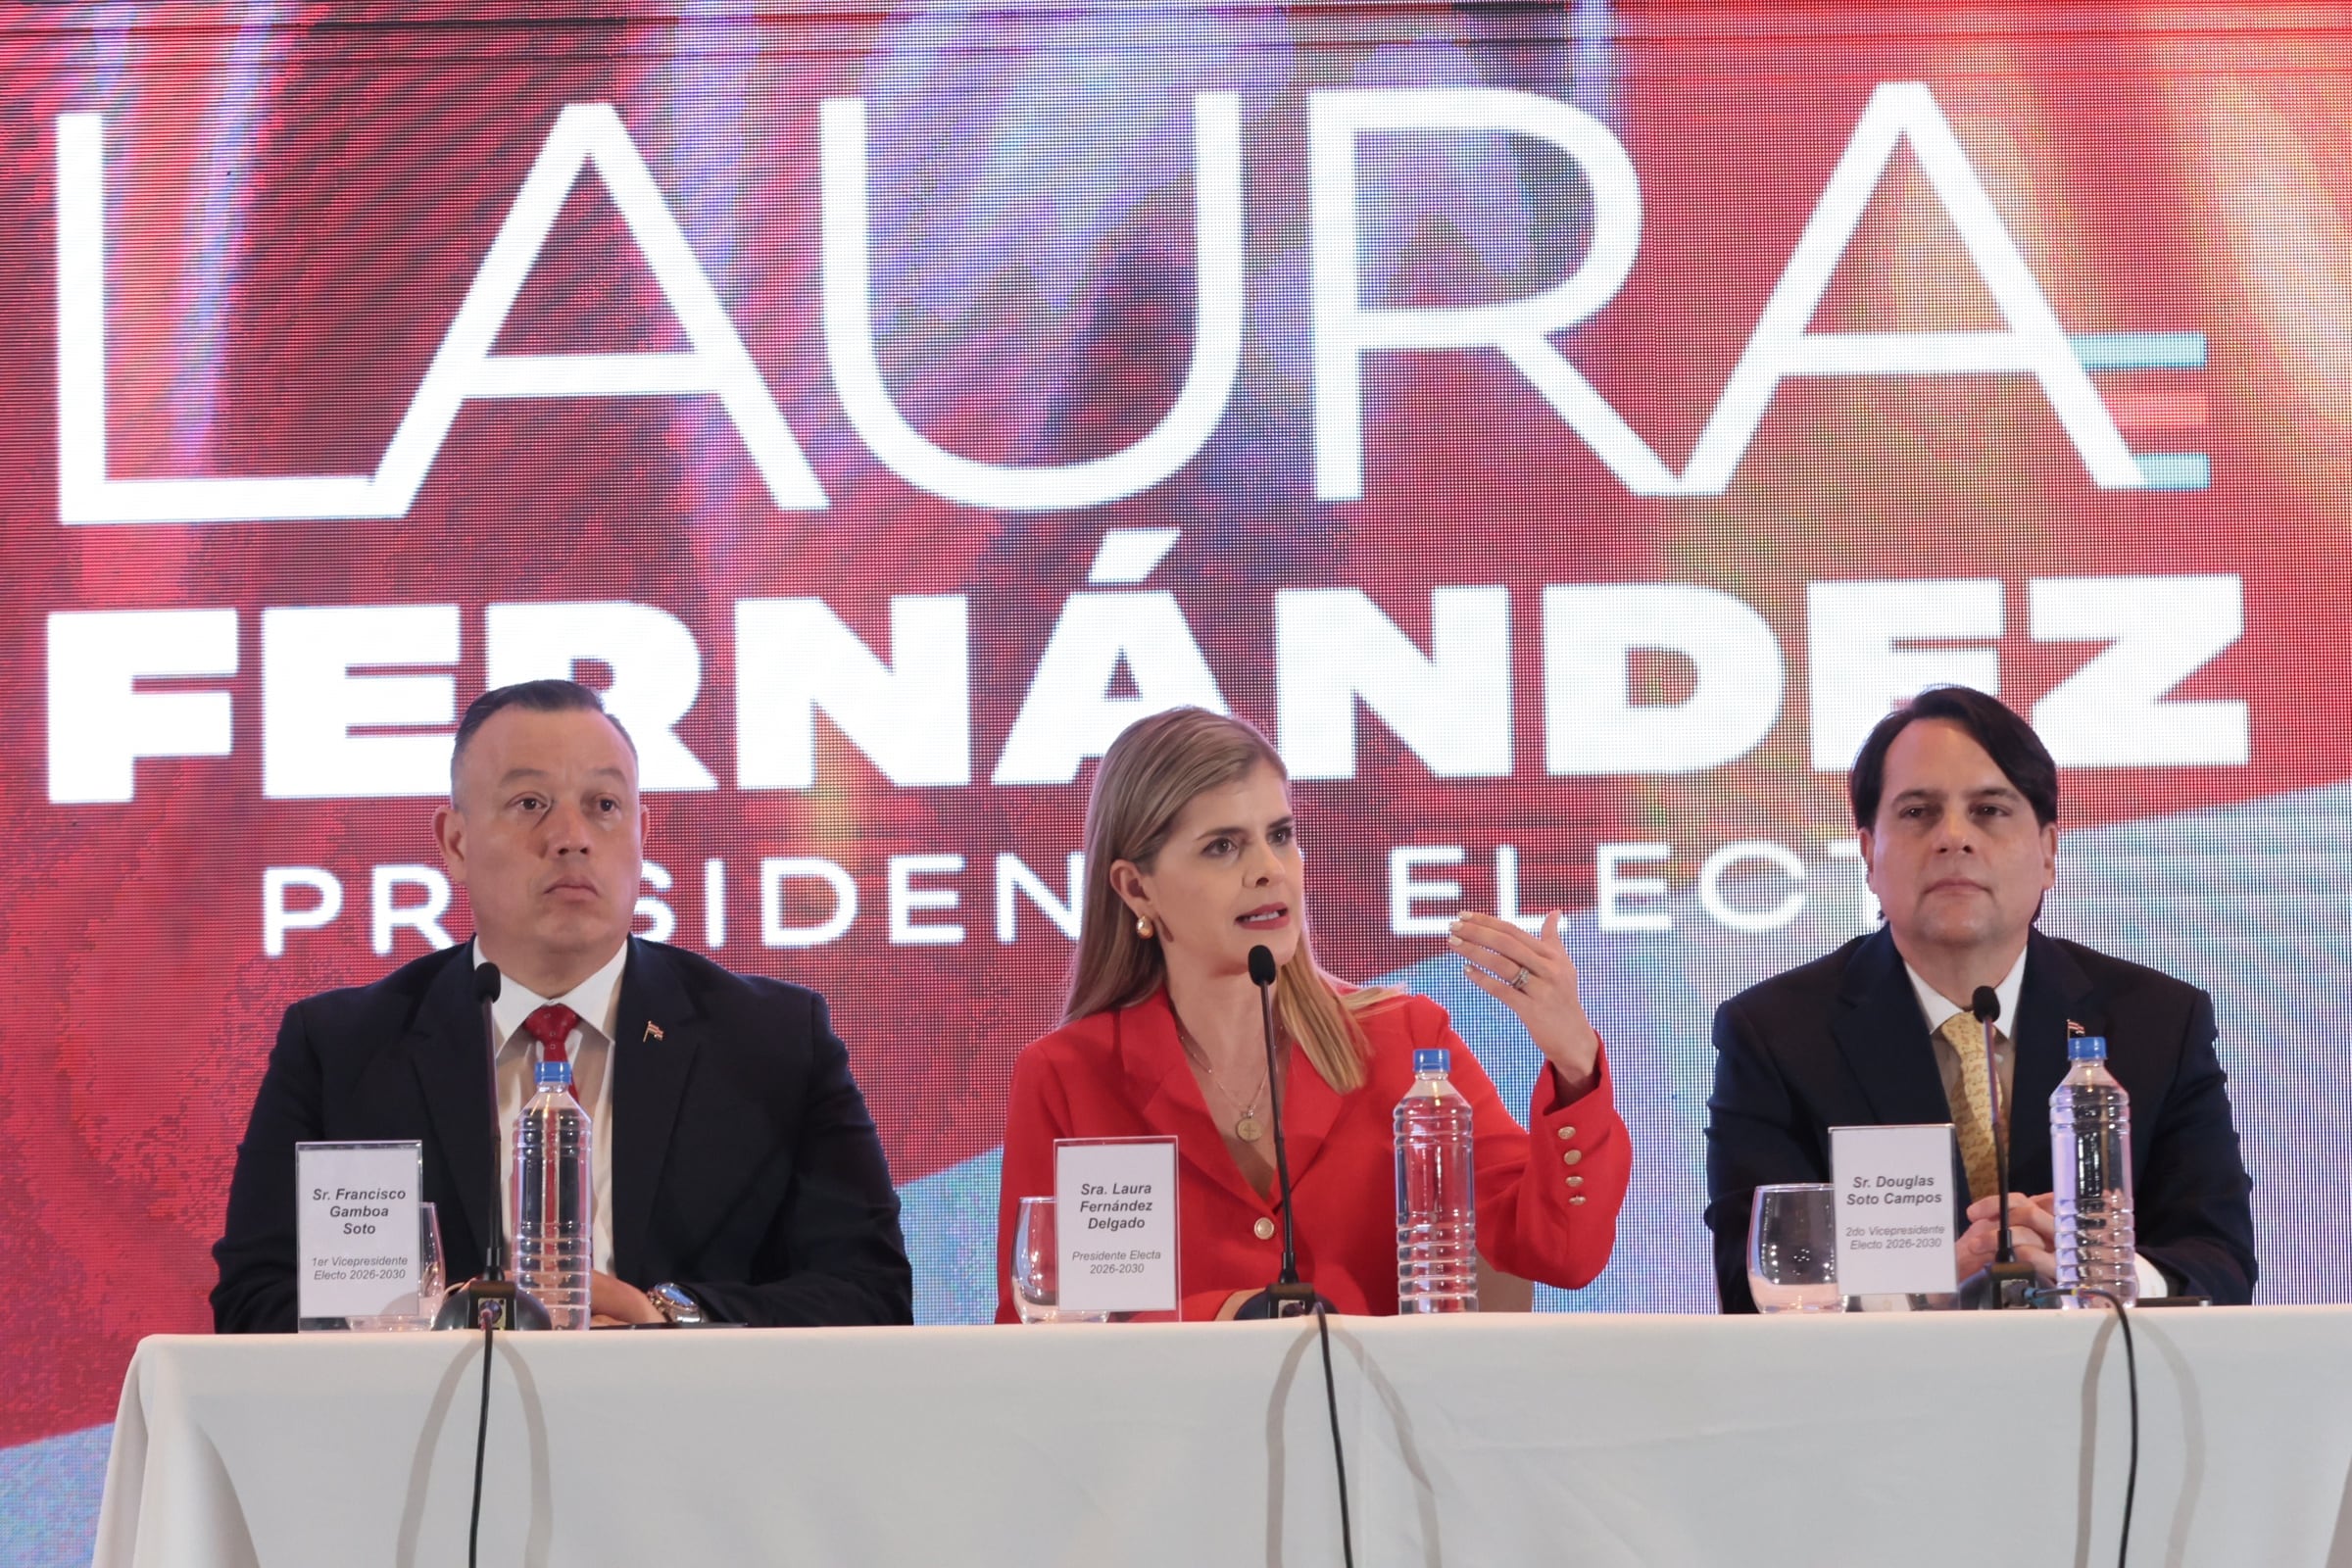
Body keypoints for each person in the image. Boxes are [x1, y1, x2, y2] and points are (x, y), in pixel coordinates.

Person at [213, 680, 911, 1330]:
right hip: (428, 1420)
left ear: (641, 835)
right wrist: (435, 1326)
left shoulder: (772, 1044)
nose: (571, 836)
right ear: (455, 842)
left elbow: (871, 1294)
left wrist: (665, 1317)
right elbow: (254, 1301)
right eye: (530, 804)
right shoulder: (342, 1052)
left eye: (603, 806)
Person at [995, 707, 1629, 1321]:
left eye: (1280, 835)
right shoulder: (1069, 1076)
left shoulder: (1407, 1041)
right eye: (1222, 847)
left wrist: (1575, 1062)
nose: (1269, 871)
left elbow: (1562, 1252)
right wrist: (1226, 1318)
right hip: (1164, 1402)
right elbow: (1042, 1327)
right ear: (1137, 888)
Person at [1705, 686, 2256, 1310]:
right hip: (1880, 1375)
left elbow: (2218, 1262)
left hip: (2098, 1369)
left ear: (2048, 851)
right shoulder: (1776, 1035)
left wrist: (2110, 1275)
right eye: (1918, 812)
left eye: (1989, 810)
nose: (1953, 838)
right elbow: (1755, 1288)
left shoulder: (2156, 1022)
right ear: (1868, 853)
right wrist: (1926, 1289)